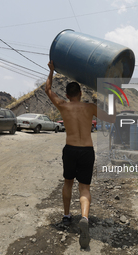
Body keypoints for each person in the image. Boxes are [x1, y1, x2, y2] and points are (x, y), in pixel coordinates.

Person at [45, 60, 116, 249]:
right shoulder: (90, 107)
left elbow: (48, 90)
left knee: (68, 182)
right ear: (81, 94)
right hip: (86, 150)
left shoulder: (63, 105)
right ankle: (84, 217)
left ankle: (67, 215)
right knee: (84, 188)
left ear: (67, 95)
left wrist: (51, 70)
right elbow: (111, 118)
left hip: (70, 149)